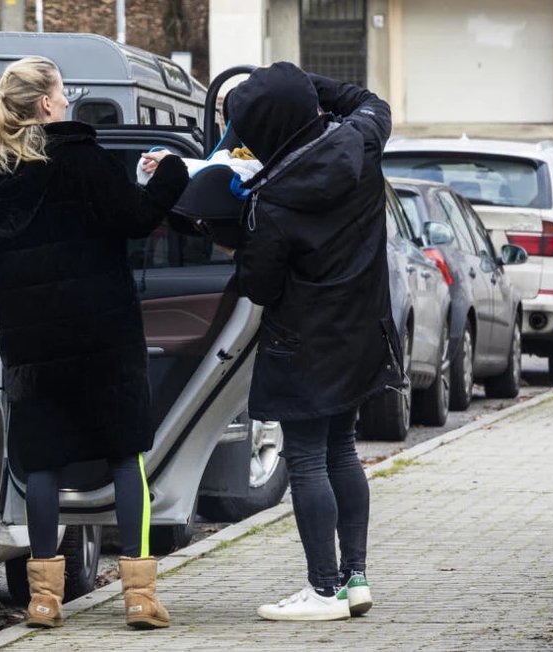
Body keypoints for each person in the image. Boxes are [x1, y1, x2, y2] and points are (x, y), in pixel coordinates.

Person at [0, 56, 188, 630]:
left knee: (42, 465)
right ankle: (139, 596)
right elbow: (135, 218)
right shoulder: (82, 159)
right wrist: (171, 173)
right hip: (102, 337)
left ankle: (43, 600)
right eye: (63, 92)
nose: (68, 100)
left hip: (33, 344)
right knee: (125, 455)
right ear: (45, 104)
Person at [227, 62, 402, 621]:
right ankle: (355, 578)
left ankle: (322, 589)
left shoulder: (273, 201)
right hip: (361, 335)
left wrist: (228, 234)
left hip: (301, 344)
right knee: (342, 451)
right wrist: (306, 83)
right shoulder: (362, 144)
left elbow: (258, 285)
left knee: (306, 460)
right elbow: (371, 98)